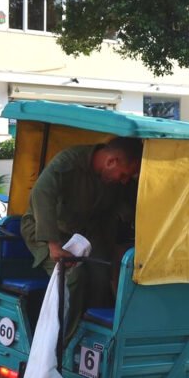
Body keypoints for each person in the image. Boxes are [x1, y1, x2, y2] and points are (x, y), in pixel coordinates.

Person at [21, 137, 143, 331]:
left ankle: (91, 337)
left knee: (102, 277)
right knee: (72, 279)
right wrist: (53, 245)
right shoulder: (68, 163)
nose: (125, 181)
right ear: (111, 161)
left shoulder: (117, 181)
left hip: (84, 234)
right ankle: (63, 346)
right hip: (44, 230)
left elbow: (136, 206)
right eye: (124, 175)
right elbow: (41, 194)